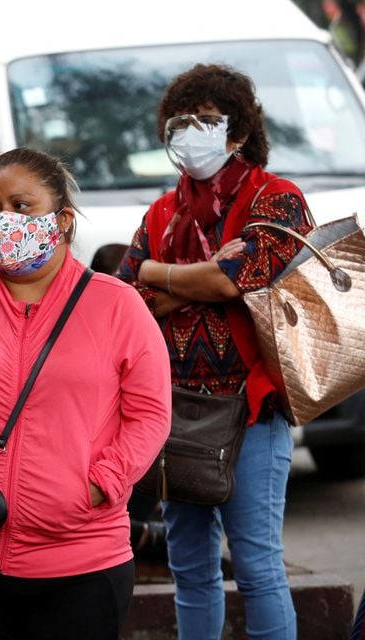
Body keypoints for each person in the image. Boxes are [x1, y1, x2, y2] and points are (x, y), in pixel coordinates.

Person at [0, 148, 171, 638]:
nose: (4, 221)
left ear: (61, 219)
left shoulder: (117, 306)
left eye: (21, 206)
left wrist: (99, 485)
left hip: (84, 564)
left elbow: (149, 415)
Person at [115, 64, 310, 639]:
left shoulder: (277, 201)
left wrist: (158, 273)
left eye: (207, 121)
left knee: (256, 567)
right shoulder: (161, 211)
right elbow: (129, 298)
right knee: (190, 570)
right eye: (181, 122)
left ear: (239, 133)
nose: (190, 134)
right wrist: (190, 275)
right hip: (172, 411)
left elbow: (236, 281)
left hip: (252, 411)